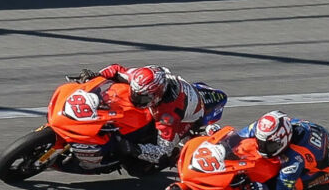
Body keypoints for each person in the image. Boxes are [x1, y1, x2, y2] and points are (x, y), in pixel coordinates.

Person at [85, 64, 228, 155]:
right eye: (135, 94)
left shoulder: (168, 114)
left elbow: (163, 150)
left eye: (143, 98)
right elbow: (116, 70)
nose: (136, 99)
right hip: (181, 93)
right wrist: (97, 76)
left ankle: (178, 155)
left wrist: (133, 149)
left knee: (170, 151)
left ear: (157, 95)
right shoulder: (140, 77)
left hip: (185, 117)